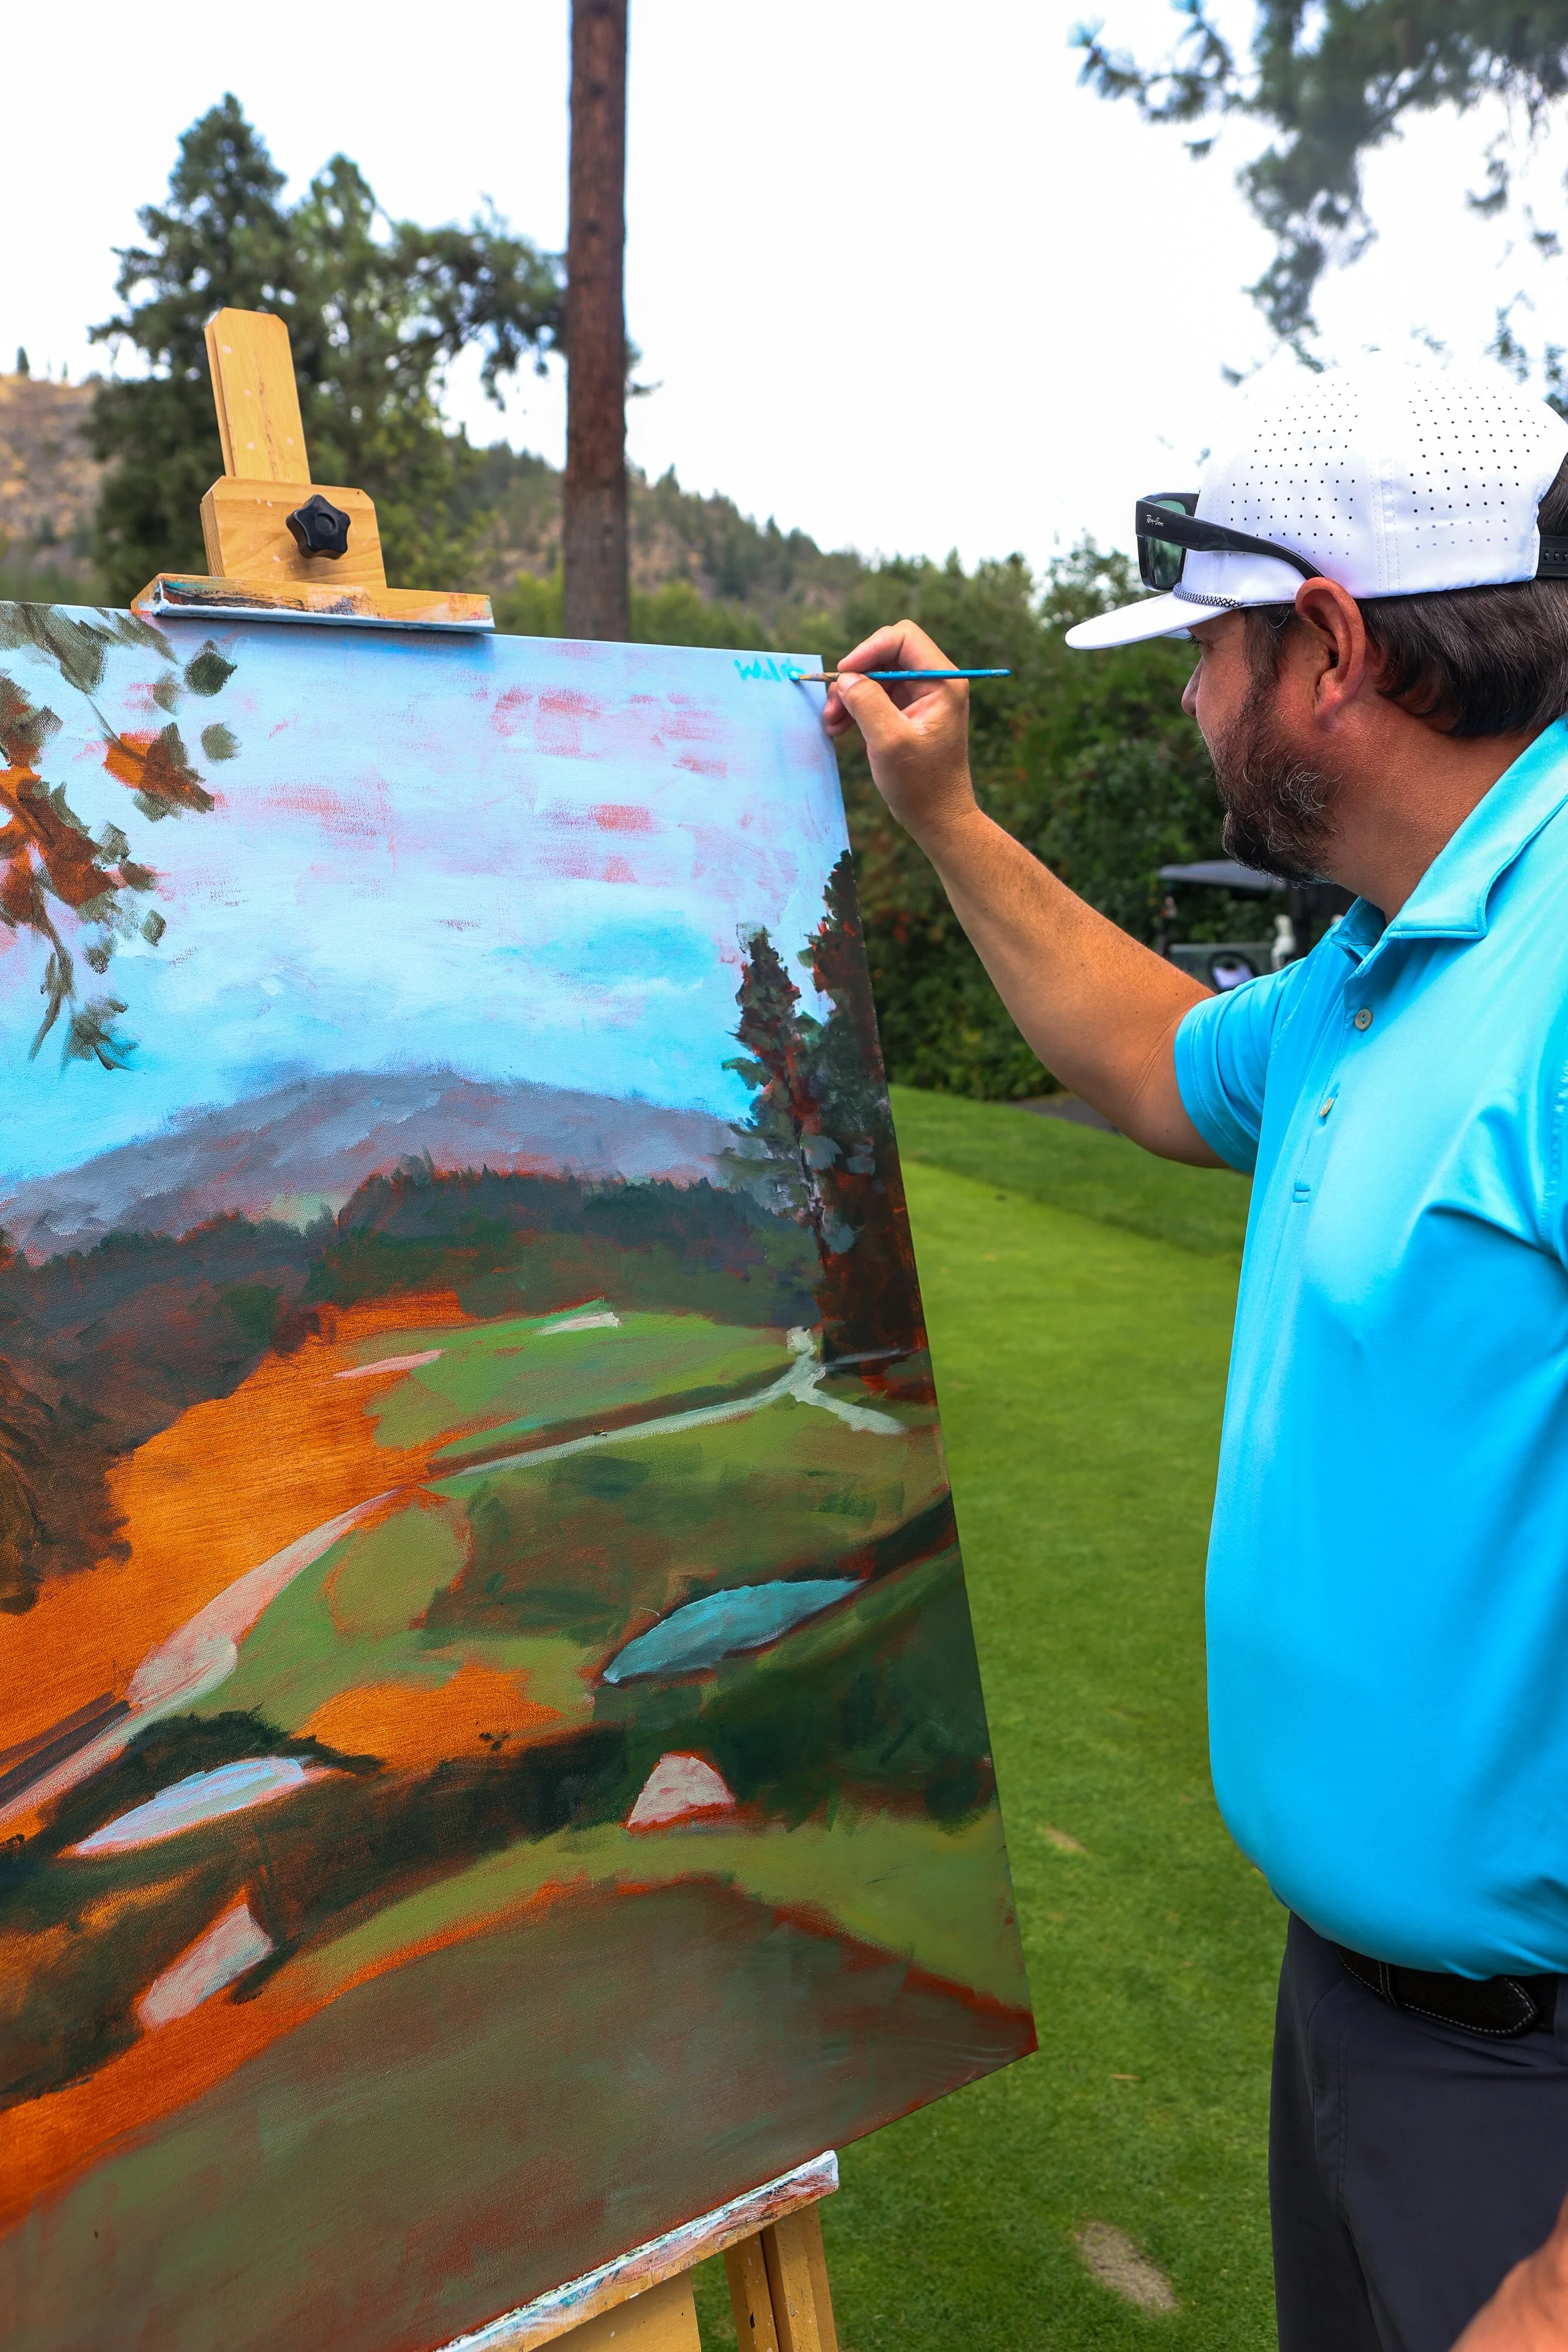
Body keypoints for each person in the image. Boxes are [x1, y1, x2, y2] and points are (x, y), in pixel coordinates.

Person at [822, 368, 1568, 2352]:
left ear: (1326, 647)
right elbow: (1154, 1056)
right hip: (1369, 2020)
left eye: (1207, 645)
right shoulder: (1383, 954)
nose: (1182, 692)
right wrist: (944, 816)